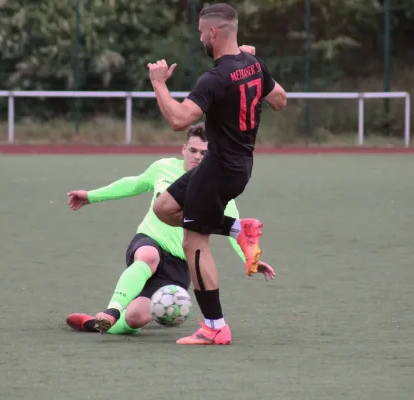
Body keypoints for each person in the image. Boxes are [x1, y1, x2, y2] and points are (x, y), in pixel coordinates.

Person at [146, 3, 287, 345]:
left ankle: (214, 326)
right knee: (164, 208)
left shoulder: (214, 77)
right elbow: (280, 100)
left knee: (194, 241)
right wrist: (253, 70)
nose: (199, 39)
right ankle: (241, 228)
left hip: (220, 169)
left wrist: (159, 84)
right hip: (234, 165)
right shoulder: (254, 64)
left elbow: (180, 120)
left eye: (199, 33)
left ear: (212, 33)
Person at [65, 123, 276, 336]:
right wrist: (91, 196)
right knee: (148, 256)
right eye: (193, 150)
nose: (197, 157)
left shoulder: (217, 189)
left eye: (204, 153)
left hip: (179, 264)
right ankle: (113, 309)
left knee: (135, 318)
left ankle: (96, 325)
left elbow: (237, 229)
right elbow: (133, 183)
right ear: (183, 149)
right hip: (150, 240)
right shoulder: (163, 168)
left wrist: (250, 260)